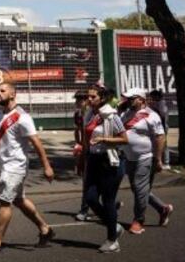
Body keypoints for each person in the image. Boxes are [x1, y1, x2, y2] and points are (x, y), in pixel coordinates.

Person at [0, 82, 55, 255]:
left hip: (16, 166)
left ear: (12, 94)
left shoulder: (22, 117)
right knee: (19, 200)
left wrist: (47, 166)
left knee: (3, 201)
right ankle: (45, 229)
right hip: (5, 165)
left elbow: (37, 143)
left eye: (2, 91)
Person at [121, 87, 174, 235]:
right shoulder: (126, 113)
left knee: (139, 189)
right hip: (129, 158)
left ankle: (138, 221)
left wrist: (158, 159)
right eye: (128, 98)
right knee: (140, 190)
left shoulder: (152, 116)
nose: (129, 101)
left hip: (145, 158)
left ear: (141, 100)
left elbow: (160, 137)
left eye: (132, 98)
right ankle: (163, 209)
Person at [82, 85, 128, 253]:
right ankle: (114, 226)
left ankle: (112, 240)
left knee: (108, 201)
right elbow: (86, 137)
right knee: (91, 198)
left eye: (93, 97)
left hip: (110, 161)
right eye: (88, 96)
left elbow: (124, 139)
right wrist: (84, 156)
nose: (89, 99)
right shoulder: (89, 114)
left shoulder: (111, 115)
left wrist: (103, 138)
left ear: (101, 98)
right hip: (93, 160)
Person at [72, 90, 92, 221]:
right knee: (86, 181)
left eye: (80, 99)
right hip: (84, 150)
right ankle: (85, 209)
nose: (77, 102)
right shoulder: (77, 114)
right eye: (77, 99)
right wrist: (78, 144)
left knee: (93, 181)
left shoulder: (94, 113)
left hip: (94, 150)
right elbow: (77, 130)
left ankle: (87, 209)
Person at [148, 90, 171, 168]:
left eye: (153, 97)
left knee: (163, 144)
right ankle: (159, 161)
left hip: (163, 126)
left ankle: (166, 162)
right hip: (159, 126)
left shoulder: (161, 103)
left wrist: (154, 108)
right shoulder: (157, 103)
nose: (151, 99)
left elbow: (163, 114)